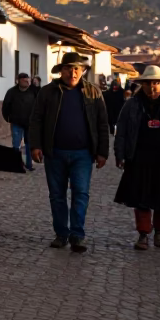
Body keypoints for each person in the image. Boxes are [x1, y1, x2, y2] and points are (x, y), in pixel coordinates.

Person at [29, 53, 110, 253]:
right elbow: (36, 119)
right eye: (68, 68)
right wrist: (35, 146)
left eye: (76, 69)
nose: (72, 73)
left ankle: (77, 235)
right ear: (61, 70)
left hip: (82, 154)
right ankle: (61, 234)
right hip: (54, 152)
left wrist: (102, 152)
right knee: (57, 195)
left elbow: (102, 123)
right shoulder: (48, 92)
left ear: (82, 71)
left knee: (80, 194)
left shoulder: (93, 92)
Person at [114, 66, 160, 250]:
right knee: (141, 198)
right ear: (142, 84)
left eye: (156, 82)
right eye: (148, 83)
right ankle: (143, 233)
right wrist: (120, 154)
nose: (152, 87)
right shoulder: (132, 104)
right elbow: (121, 131)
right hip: (139, 158)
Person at [2, 73, 37, 171]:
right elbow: (5, 106)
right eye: (24, 80)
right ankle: (16, 164)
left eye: (28, 80)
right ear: (19, 80)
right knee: (16, 145)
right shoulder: (11, 92)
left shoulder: (33, 91)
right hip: (16, 122)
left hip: (29, 123)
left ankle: (29, 165)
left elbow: (38, 105)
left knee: (29, 144)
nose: (27, 81)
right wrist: (7, 118)